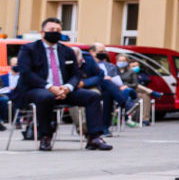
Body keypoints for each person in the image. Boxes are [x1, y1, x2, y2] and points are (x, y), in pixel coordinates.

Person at [12, 18, 112, 151]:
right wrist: (49, 87)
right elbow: (26, 73)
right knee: (45, 97)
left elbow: (76, 74)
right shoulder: (29, 49)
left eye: (58, 30)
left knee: (92, 96)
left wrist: (67, 87)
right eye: (51, 30)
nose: (55, 32)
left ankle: (94, 138)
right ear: (42, 33)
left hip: (63, 89)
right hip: (36, 89)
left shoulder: (67, 51)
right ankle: (45, 137)